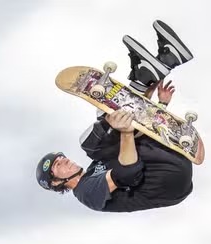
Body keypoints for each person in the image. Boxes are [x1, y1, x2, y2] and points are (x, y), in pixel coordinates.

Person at [36, 21, 201, 213]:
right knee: (92, 142)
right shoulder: (86, 193)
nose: (64, 160)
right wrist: (125, 133)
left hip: (171, 165)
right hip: (166, 182)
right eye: (57, 164)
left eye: (60, 157)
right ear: (57, 183)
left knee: (116, 129)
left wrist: (155, 103)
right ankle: (144, 76)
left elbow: (141, 125)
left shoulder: (96, 167)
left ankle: (166, 60)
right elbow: (129, 173)